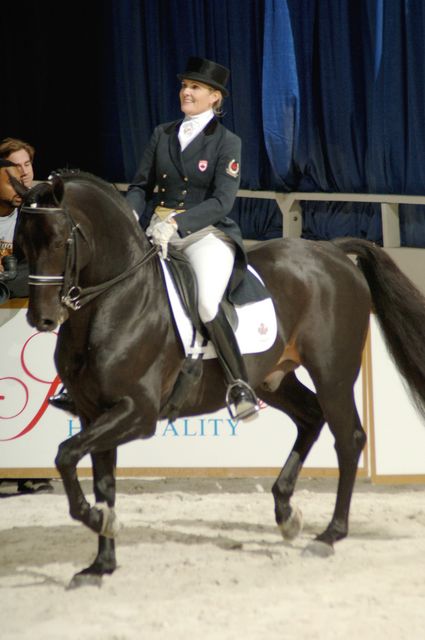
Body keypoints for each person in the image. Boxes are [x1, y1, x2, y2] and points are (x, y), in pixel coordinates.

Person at [126, 56, 267, 420]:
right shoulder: (163, 133)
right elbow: (141, 185)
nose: (186, 92)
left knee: (206, 302)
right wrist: (130, 213)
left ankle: (239, 386)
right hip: (155, 232)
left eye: (195, 87)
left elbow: (222, 201)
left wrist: (178, 224)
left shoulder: (227, 143)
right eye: (185, 86)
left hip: (204, 234)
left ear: (215, 98)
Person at [0, 139, 53, 494]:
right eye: (15, 169)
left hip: (22, 323)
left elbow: (43, 266)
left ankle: (31, 466)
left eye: (28, 167)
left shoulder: (38, 212)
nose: (24, 176)